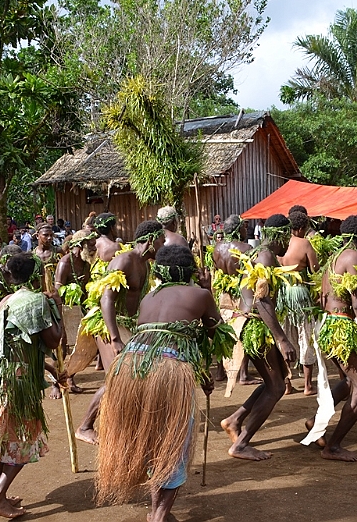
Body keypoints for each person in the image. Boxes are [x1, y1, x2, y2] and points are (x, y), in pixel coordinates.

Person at [96, 245, 231, 522]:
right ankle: (159, 516)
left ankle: (160, 513)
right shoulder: (201, 294)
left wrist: (201, 375)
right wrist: (208, 289)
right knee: (173, 443)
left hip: (129, 369)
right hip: (167, 371)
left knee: (152, 438)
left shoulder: (150, 296)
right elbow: (216, 331)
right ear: (191, 271)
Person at [0, 252, 63, 519]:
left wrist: (46, 367)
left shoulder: (6, 300)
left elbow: (12, 344)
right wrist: (56, 308)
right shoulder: (38, 302)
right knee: (22, 438)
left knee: (6, 433)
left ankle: (2, 494)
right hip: (15, 381)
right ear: (37, 276)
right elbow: (54, 341)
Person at [75, 220, 166, 445]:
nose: (164, 244)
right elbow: (108, 298)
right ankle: (85, 426)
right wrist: (114, 338)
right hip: (109, 324)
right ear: (151, 239)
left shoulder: (146, 265)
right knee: (117, 379)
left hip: (130, 324)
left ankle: (127, 426)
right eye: (161, 240)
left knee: (136, 377)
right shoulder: (125, 260)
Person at [305, 215, 357, 462]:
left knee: (350, 382)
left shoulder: (334, 257)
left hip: (328, 323)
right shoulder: (353, 256)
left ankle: (314, 422)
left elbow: (322, 297)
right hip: (341, 325)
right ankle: (333, 446)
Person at [220, 214, 298, 461]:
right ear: (281, 235)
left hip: (253, 325)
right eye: (289, 236)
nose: (290, 243)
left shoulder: (260, 254)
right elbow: (262, 301)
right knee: (276, 387)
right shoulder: (264, 256)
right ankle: (241, 444)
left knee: (272, 381)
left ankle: (234, 420)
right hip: (256, 327)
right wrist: (282, 338)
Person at [211, 214, 258, 386]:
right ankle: (243, 374)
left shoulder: (216, 248)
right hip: (240, 294)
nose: (247, 230)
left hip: (223, 293)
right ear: (238, 229)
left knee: (223, 331)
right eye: (245, 227)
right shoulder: (246, 248)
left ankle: (219, 371)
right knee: (241, 332)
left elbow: (215, 273)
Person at [279, 210, 321, 396]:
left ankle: (287, 384)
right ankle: (307, 385)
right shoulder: (305, 243)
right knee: (306, 335)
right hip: (300, 293)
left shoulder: (280, 243)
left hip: (283, 293)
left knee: (286, 336)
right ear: (302, 228)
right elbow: (315, 269)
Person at [53, 229, 97, 396]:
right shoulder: (65, 262)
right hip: (63, 307)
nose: (94, 247)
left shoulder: (86, 263)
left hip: (79, 308)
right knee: (61, 346)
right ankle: (56, 383)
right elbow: (57, 290)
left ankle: (70, 377)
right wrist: (60, 316)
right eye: (90, 244)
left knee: (78, 345)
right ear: (80, 245)